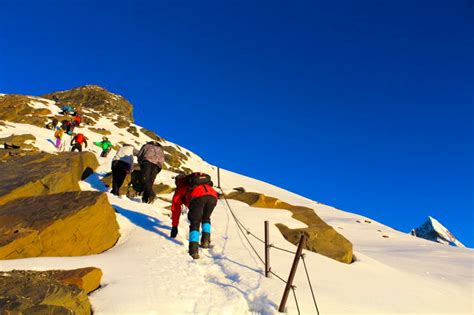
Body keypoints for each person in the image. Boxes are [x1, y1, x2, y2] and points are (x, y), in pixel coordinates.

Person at [170, 173, 218, 259]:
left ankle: (193, 250)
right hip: (213, 196)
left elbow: (176, 209)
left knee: (195, 222)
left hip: (198, 197)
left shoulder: (181, 187)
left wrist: (174, 226)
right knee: (206, 218)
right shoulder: (196, 182)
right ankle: (205, 241)